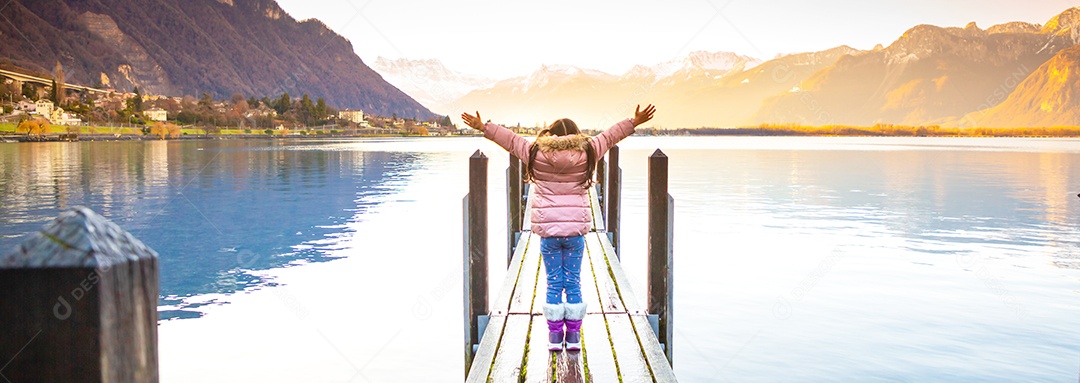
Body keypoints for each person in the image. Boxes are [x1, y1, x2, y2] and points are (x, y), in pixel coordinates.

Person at [461, 104, 656, 351]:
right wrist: (634, 121)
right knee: (573, 282)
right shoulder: (589, 151)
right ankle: (573, 338)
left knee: (554, 283)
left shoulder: (534, 152)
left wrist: (483, 127)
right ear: (577, 133)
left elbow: (509, 140)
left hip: (549, 234)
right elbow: (611, 135)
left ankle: (555, 338)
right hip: (575, 233)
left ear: (550, 133)